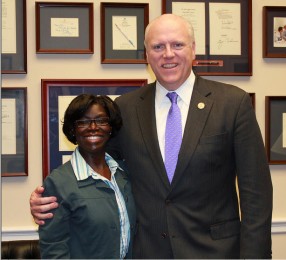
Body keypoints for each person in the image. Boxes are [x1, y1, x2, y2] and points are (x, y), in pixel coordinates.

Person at [30, 14, 272, 259]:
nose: (168, 54)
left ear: (193, 49)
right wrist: (50, 199)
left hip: (216, 252)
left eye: (177, 44)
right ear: (147, 55)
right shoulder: (126, 107)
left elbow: (257, 193)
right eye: (158, 47)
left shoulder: (232, 103)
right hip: (148, 252)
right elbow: (100, 167)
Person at [38, 94, 136, 259]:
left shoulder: (124, 173)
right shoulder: (58, 183)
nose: (93, 127)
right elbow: (54, 251)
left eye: (101, 120)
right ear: (72, 130)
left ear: (111, 127)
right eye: (83, 122)